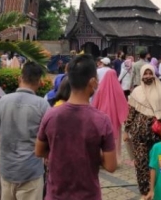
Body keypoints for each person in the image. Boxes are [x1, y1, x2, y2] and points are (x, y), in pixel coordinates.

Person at [35, 54, 117, 200]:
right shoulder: (101, 120)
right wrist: (89, 152)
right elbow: (111, 166)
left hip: (56, 195)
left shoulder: (51, 115)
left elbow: (39, 150)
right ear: (92, 82)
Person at [0, 62, 50, 200]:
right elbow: (49, 137)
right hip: (31, 172)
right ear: (39, 82)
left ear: (19, 78)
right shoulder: (42, 105)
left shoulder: (2, 101)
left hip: (7, 170)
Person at [124, 64, 161, 197]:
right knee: (141, 164)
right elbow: (131, 113)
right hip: (139, 136)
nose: (148, 76)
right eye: (145, 73)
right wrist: (126, 131)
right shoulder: (136, 91)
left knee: (158, 163)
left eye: (150, 73)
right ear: (141, 75)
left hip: (158, 135)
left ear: (154, 74)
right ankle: (145, 192)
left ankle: (159, 191)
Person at [92, 62, 129, 160]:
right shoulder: (118, 89)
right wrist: (124, 118)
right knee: (114, 138)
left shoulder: (100, 89)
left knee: (102, 137)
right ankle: (113, 158)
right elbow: (123, 105)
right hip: (114, 119)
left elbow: (94, 104)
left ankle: (101, 157)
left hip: (101, 118)